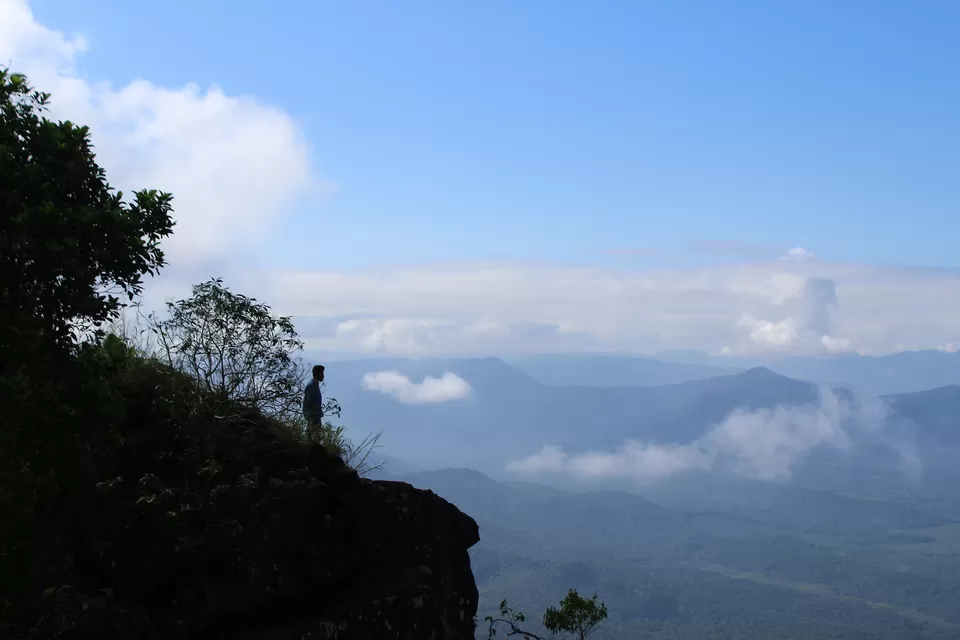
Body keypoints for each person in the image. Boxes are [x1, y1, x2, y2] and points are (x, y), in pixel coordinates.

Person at [303, 364, 325, 428]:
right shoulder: (311, 386)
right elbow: (310, 405)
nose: (323, 376)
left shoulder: (314, 384)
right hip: (313, 417)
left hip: (316, 416)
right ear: (317, 374)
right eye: (321, 374)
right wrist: (312, 419)